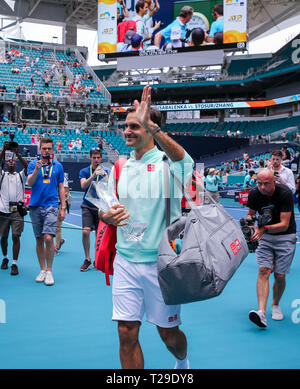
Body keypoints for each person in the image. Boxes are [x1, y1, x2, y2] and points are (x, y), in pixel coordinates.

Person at [100, 85, 193, 369]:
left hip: (161, 264)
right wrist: (107, 217)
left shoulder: (171, 164)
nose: (127, 131)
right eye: (126, 126)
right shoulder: (121, 166)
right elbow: (107, 207)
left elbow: (184, 160)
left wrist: (153, 127)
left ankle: (183, 360)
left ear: (151, 130)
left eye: (135, 126)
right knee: (126, 333)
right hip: (126, 261)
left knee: (168, 335)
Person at [246, 169, 297, 328]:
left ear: (273, 182)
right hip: (265, 236)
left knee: (280, 276)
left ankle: (275, 304)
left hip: (285, 236)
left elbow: (284, 224)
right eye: (259, 183)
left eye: (266, 183)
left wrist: (263, 229)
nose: (261, 187)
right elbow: (250, 214)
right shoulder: (254, 193)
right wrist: (249, 223)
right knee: (264, 270)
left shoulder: (284, 193)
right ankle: (261, 312)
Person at [27, 137, 66, 286]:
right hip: (35, 206)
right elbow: (29, 182)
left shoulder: (58, 166)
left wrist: (62, 207)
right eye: (44, 148)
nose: (46, 151)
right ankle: (42, 269)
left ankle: (49, 270)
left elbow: (61, 187)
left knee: (49, 238)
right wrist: (37, 168)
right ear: (40, 149)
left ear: (52, 150)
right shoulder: (32, 164)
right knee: (39, 239)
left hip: (51, 205)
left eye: (49, 148)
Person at [79, 148, 110, 271]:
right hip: (87, 205)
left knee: (99, 235)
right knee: (85, 232)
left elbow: (111, 188)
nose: (96, 160)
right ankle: (87, 259)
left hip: (101, 207)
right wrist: (93, 175)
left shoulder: (107, 171)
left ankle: (98, 258)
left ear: (101, 158)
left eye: (98, 157)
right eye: (94, 157)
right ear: (90, 158)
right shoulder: (84, 171)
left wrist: (106, 177)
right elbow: (83, 185)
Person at [0, 141, 28, 275]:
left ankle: (14, 263)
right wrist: (3, 151)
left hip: (17, 211)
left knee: (16, 236)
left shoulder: (20, 175)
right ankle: (5, 258)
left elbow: (28, 167)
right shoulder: (2, 175)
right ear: (5, 164)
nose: (11, 162)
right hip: (3, 211)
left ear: (16, 164)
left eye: (13, 161)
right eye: (8, 161)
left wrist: (17, 154)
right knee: (3, 237)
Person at [55, 173, 70, 255]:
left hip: (59, 203)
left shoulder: (62, 177)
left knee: (57, 226)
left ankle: (56, 248)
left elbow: (66, 193)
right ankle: (59, 241)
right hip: (49, 203)